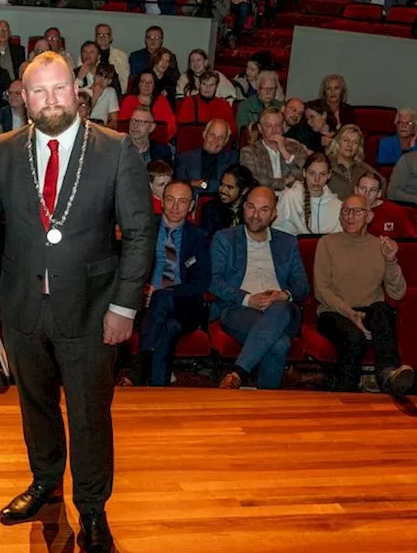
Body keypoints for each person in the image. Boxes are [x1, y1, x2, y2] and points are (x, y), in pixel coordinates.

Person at [0, 51, 154, 553]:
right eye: (38, 91)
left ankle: (93, 508)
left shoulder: (116, 150)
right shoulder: (4, 150)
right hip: (22, 306)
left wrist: (124, 305)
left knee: (89, 414)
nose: (50, 100)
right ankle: (45, 483)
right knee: (35, 404)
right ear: (23, 98)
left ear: (78, 92)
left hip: (93, 310)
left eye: (59, 89)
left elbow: (140, 233)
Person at [315, 194, 415, 396]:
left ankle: (389, 374)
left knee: (383, 310)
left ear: (369, 216)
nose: (350, 216)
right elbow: (321, 289)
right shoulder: (327, 243)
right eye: (345, 211)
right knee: (354, 337)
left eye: (357, 211)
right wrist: (349, 313)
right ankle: (345, 394)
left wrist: (391, 260)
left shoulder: (381, 245)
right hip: (334, 311)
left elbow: (398, 292)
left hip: (369, 311)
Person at [210, 186, 308, 390]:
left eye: (264, 210)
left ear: (274, 214)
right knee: (279, 344)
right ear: (244, 208)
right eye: (251, 207)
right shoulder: (225, 238)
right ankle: (266, 401)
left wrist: (284, 295)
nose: (255, 215)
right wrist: (248, 299)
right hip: (239, 309)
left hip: (284, 311)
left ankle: (238, 372)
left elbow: (302, 286)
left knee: (279, 308)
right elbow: (214, 281)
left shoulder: (288, 242)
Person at [129, 182, 210, 387]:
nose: (175, 207)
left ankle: (140, 364)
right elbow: (126, 269)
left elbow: (201, 283)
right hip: (144, 307)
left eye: (182, 202)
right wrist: (142, 291)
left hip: (184, 306)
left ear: (191, 206)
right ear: (161, 202)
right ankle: (159, 390)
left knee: (162, 297)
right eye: (170, 200)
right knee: (169, 328)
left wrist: (163, 293)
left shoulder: (199, 237)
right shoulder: (144, 229)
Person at [240, 107, 310, 192]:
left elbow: (303, 176)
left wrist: (284, 152)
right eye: (268, 126)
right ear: (260, 128)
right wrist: (286, 181)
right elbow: (255, 182)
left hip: (291, 198)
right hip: (262, 198)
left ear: (283, 126)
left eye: (278, 125)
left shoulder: (297, 148)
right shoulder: (249, 152)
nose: (274, 130)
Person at [274, 152, 343, 236]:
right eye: (311, 173)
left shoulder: (338, 205)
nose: (317, 179)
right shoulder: (290, 196)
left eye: (322, 174)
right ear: (304, 173)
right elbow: (277, 230)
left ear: (329, 175)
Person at [175, 118, 237, 198]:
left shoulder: (232, 159)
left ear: (226, 141)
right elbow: (180, 188)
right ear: (204, 134)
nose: (215, 140)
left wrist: (200, 184)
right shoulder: (184, 159)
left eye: (221, 137)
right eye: (212, 135)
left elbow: (232, 188)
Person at [326, 124, 382, 197]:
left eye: (355, 142)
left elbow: (382, 182)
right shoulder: (326, 164)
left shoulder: (363, 168)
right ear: (337, 142)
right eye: (346, 140)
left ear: (358, 147)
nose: (350, 145)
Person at [201, 163, 255, 236]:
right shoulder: (210, 209)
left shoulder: (252, 210)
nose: (223, 190)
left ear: (244, 190)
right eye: (221, 185)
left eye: (229, 187)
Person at [359, 171, 417, 238]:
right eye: (363, 189)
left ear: (379, 193)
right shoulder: (347, 211)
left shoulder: (395, 211)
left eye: (372, 190)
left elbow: (410, 241)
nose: (367, 194)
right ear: (356, 190)